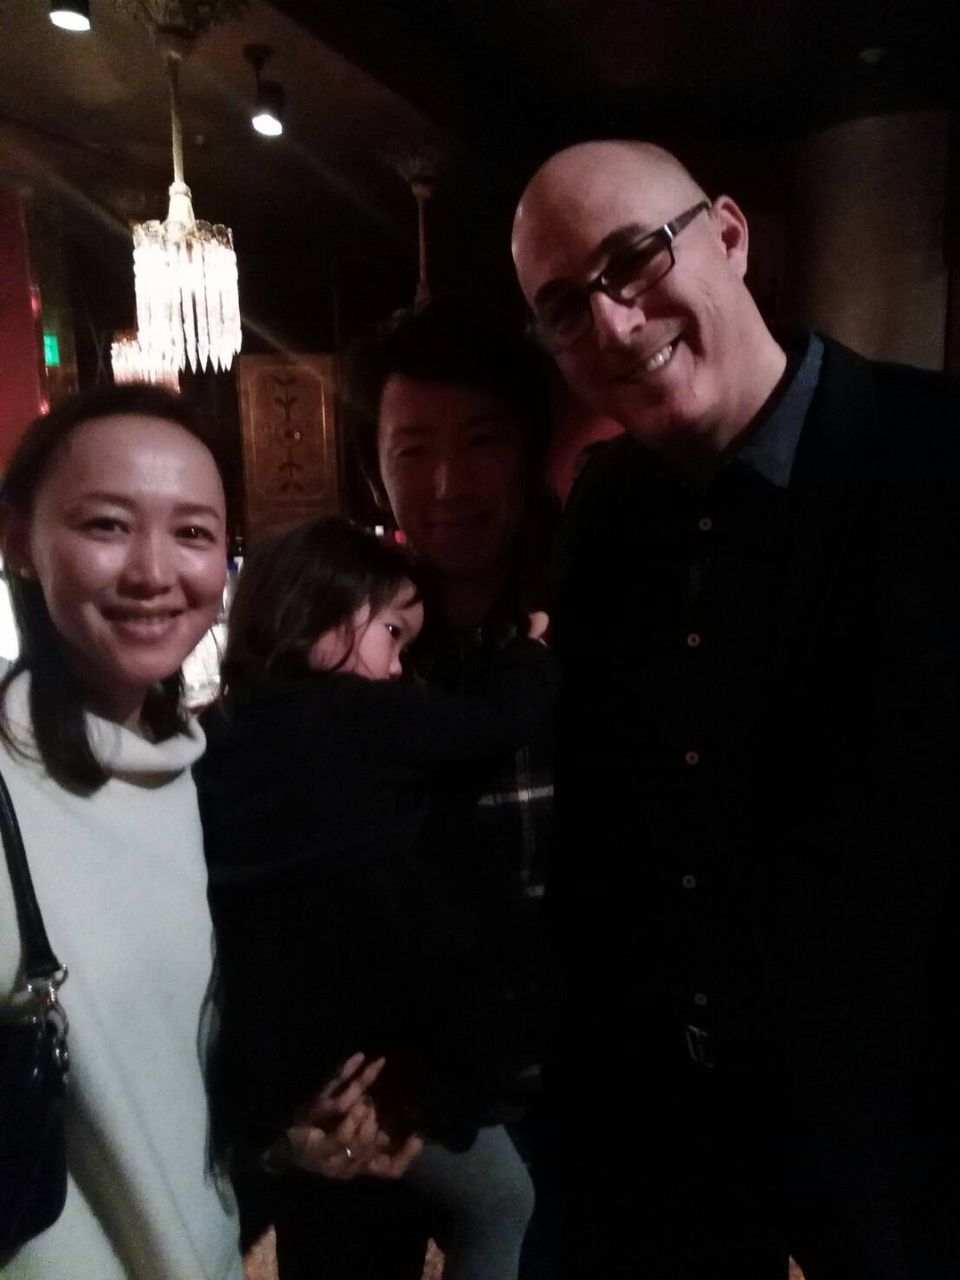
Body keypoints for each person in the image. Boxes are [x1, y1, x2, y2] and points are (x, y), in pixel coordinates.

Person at [510, 140, 960, 1279]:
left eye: (634, 259)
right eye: (565, 308)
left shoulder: (937, 452)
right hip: (670, 1135)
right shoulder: (605, 503)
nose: (614, 324)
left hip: (908, 1129)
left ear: (728, 234)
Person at [0, 386, 415, 1280]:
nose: (155, 571)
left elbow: (174, 1081)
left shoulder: (196, 774)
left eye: (191, 532)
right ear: (19, 543)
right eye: (107, 525)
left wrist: (275, 1141)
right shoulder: (10, 790)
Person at [196, 517, 559, 1280]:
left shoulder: (221, 734)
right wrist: (529, 651)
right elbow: (491, 725)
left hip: (279, 1059)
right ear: (322, 617)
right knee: (504, 1203)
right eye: (392, 634)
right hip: (379, 1058)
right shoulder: (348, 712)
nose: (397, 669)